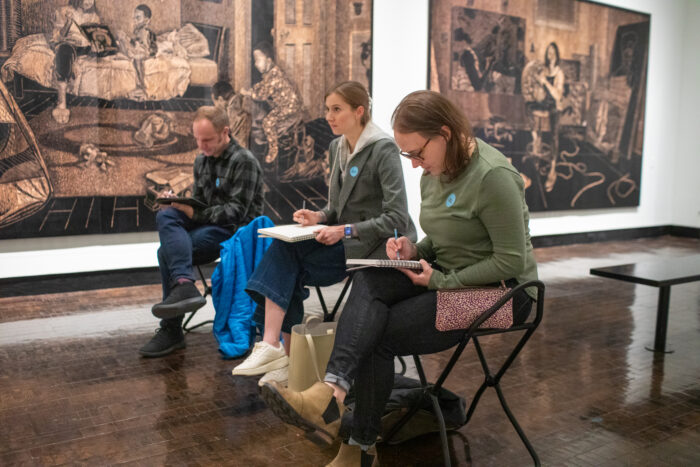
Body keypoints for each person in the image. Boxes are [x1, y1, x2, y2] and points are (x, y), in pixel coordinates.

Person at [260, 90, 539, 465]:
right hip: (453, 277)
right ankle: (332, 392)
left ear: (445, 133)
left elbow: (510, 261)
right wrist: (413, 251)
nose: (413, 164)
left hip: (506, 296)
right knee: (369, 279)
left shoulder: (494, 176)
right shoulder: (433, 171)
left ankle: (356, 447)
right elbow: (441, 240)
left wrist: (441, 282)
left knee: (380, 335)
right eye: (407, 154)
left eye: (417, 153)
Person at [231, 81, 416, 386]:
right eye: (327, 109)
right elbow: (336, 207)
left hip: (377, 248)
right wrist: (318, 216)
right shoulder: (337, 147)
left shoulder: (383, 149)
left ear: (359, 111)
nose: (329, 116)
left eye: (336, 109)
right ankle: (275, 348)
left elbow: (396, 217)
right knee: (284, 251)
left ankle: (279, 352)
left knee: (287, 263)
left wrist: (341, 229)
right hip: (344, 242)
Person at [139, 106, 264, 358]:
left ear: (224, 132)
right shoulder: (201, 160)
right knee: (165, 213)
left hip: (236, 233)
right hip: (209, 226)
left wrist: (193, 213)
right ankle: (185, 284)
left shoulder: (244, 162)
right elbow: (200, 202)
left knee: (166, 253)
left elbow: (236, 213)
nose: (201, 145)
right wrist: (177, 203)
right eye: (197, 139)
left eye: (206, 140)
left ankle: (172, 328)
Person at [239, 41, 304, 163]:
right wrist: (252, 89)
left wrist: (248, 93)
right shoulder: (270, 74)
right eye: (255, 60)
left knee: (268, 122)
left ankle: (273, 150)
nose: (255, 64)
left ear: (268, 61)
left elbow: (261, 95)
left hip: (288, 107)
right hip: (285, 105)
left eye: (258, 60)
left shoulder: (274, 76)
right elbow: (261, 86)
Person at [49, 0, 101, 123]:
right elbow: (57, 37)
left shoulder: (94, 16)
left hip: (85, 48)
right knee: (65, 50)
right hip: (68, 45)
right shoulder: (63, 11)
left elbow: (96, 37)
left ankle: (75, 62)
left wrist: (96, 44)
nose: (89, 2)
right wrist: (68, 22)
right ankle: (61, 103)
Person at [526, 42, 565, 191]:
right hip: (543, 103)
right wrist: (536, 81)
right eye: (548, 53)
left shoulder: (559, 73)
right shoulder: (543, 71)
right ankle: (536, 139)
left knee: (554, 136)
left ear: (556, 55)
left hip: (555, 106)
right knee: (528, 106)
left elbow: (557, 95)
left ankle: (553, 169)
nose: (551, 55)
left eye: (553, 52)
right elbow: (538, 92)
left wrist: (545, 83)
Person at [117, 4, 158, 100]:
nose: (135, 20)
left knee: (137, 59)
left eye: (138, 18)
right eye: (134, 18)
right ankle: (139, 85)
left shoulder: (144, 31)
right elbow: (135, 42)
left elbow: (144, 47)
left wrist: (130, 45)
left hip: (146, 52)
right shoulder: (138, 30)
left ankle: (141, 85)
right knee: (123, 42)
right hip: (140, 50)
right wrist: (127, 39)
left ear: (147, 20)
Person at [212, 81, 252, 149]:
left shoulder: (233, 109)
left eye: (216, 103)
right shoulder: (241, 98)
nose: (216, 106)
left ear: (220, 99)